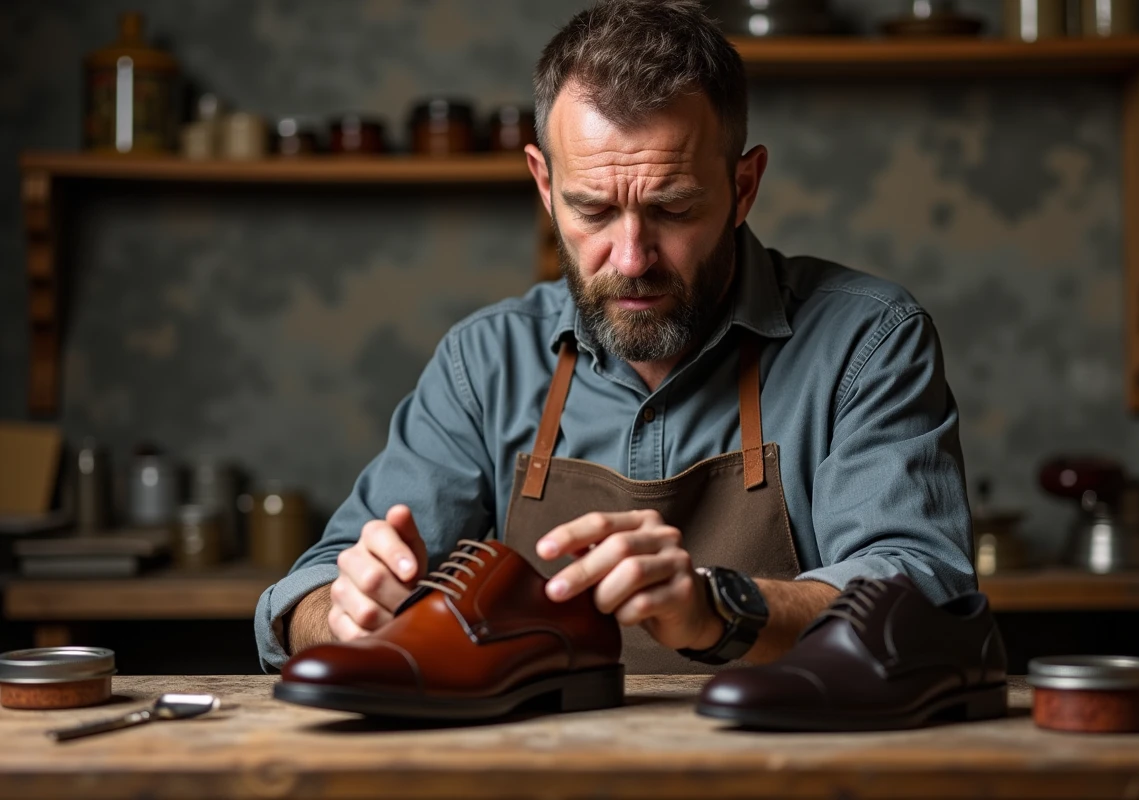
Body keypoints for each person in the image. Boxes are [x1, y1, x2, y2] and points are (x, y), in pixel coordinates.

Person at [254, 0, 976, 675]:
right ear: (544, 185)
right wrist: (340, 611)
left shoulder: (867, 342)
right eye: (592, 210)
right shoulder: (484, 365)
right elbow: (304, 594)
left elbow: (921, 587)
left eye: (673, 207)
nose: (631, 259)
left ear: (744, 186)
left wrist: (717, 605)